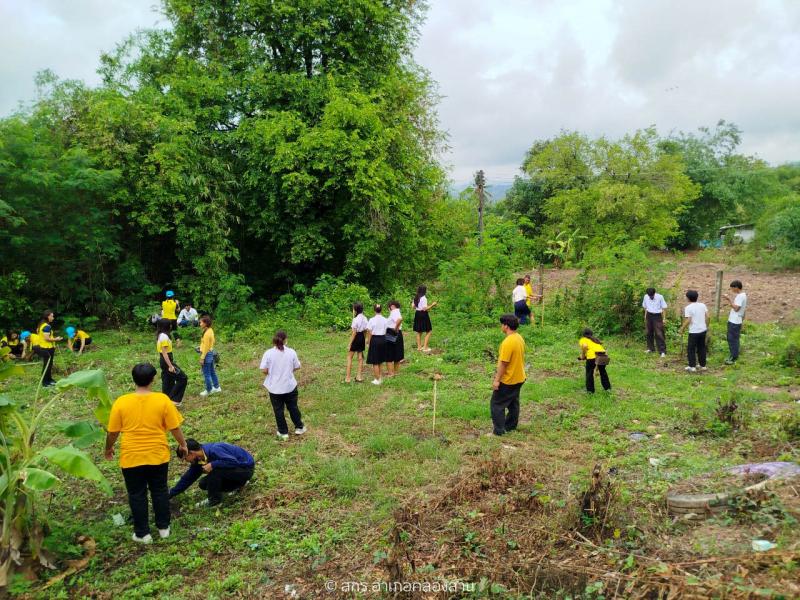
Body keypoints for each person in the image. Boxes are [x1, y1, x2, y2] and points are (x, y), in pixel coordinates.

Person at [104, 363, 187, 543]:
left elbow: (112, 432)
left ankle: (143, 533)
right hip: (157, 455)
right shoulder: (162, 400)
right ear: (153, 379)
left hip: (131, 457)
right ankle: (164, 528)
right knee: (159, 490)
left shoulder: (121, 402)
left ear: (133, 379)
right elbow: (175, 427)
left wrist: (108, 447)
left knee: (136, 494)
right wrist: (183, 444)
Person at [169, 438, 255, 507]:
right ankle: (238, 485)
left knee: (215, 470)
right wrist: (170, 493)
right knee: (204, 484)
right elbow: (187, 478)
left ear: (191, 453)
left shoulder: (214, 449)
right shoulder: (199, 460)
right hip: (233, 472)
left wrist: (213, 464)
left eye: (185, 459)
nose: (186, 461)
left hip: (245, 469)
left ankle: (214, 500)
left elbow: (233, 462)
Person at [260, 330, 305, 441]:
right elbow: (297, 366)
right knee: (293, 407)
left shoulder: (268, 353)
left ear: (274, 340)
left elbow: (264, 370)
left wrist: (272, 372)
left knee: (278, 410)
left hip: (275, 388)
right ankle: (299, 427)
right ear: (285, 340)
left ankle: (283, 432)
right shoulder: (291, 352)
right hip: (289, 386)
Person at [489, 314, 526, 436]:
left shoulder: (507, 342)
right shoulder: (519, 338)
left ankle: (499, 431)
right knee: (513, 403)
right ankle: (510, 426)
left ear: (506, 326)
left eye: (502, 324)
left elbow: (503, 364)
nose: (501, 326)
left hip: (509, 379)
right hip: (519, 377)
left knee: (496, 404)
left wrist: (496, 380)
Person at [156, 318, 188, 405]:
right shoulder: (164, 336)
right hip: (166, 360)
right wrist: (170, 366)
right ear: (166, 326)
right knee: (182, 378)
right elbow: (164, 353)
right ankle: (175, 400)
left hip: (165, 360)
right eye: (169, 324)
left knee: (168, 380)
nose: (171, 326)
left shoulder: (161, 335)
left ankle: (166, 399)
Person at [679, 290, 709, 373]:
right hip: (703, 330)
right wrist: (706, 326)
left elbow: (689, 320)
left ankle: (692, 366)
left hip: (694, 331)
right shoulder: (702, 305)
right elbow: (708, 317)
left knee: (691, 349)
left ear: (688, 298)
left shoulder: (688, 308)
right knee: (702, 347)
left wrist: (682, 328)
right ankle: (703, 366)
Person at [34, 310, 62, 387]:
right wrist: (56, 339)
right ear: (47, 316)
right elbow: (46, 338)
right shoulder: (46, 326)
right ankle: (45, 382)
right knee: (47, 365)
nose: (53, 317)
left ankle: (49, 379)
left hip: (46, 347)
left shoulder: (41, 325)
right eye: (52, 316)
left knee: (49, 364)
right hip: (47, 348)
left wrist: (54, 339)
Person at [579, 328, 612, 393]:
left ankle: (590, 391)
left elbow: (585, 346)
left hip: (592, 357)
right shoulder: (595, 340)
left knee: (589, 373)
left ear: (583, 334)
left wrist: (583, 356)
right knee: (603, 372)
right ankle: (608, 389)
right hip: (603, 355)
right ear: (591, 334)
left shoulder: (583, 339)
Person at [723, 280, 747, 365]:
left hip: (734, 321)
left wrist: (729, 300)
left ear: (736, 287)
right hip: (736, 320)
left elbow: (737, 308)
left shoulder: (740, 296)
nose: (731, 289)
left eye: (732, 288)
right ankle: (734, 355)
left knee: (732, 339)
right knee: (734, 338)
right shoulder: (743, 295)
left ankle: (733, 357)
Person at [198, 315, 221, 397]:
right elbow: (210, 342)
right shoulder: (210, 330)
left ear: (205, 323)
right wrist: (201, 346)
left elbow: (206, 347)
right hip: (210, 353)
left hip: (206, 354)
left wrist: (202, 358)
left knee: (206, 373)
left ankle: (209, 390)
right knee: (212, 371)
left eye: (201, 322)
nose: (199, 324)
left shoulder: (207, 333)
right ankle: (217, 387)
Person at [366, 304, 388, 385]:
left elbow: (369, 332)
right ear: (381, 310)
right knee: (381, 360)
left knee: (375, 361)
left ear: (374, 310)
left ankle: (377, 379)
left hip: (375, 339)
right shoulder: (385, 319)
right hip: (383, 339)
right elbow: (386, 331)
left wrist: (368, 341)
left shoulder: (371, 320)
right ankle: (380, 377)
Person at [642, 287, 668, 357]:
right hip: (649, 315)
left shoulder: (660, 297)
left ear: (654, 293)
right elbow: (645, 306)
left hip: (657, 316)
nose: (651, 297)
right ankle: (650, 348)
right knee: (648, 332)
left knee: (659, 333)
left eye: (652, 296)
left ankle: (662, 351)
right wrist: (645, 316)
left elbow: (664, 308)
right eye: (649, 296)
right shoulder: (645, 297)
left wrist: (664, 318)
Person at [345, 302, 368, 383]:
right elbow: (365, 330)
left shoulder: (355, 319)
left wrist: (350, 344)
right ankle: (359, 377)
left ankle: (348, 378)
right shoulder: (365, 318)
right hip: (362, 337)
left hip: (356, 337)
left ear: (355, 310)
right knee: (360, 358)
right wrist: (364, 339)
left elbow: (354, 333)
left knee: (349, 357)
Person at [412, 285, 437, 352]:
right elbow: (424, 309)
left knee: (419, 331)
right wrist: (432, 304)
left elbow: (413, 307)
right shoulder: (424, 298)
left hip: (417, 314)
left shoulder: (416, 297)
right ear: (424, 291)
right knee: (429, 330)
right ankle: (425, 347)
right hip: (423, 314)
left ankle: (419, 347)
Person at [386, 300, 405, 376]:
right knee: (397, 353)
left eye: (389, 307)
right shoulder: (397, 311)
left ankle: (391, 373)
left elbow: (400, 319)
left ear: (392, 306)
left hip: (392, 333)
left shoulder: (394, 312)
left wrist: (395, 328)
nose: (388, 309)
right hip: (398, 333)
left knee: (389, 353)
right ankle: (395, 372)